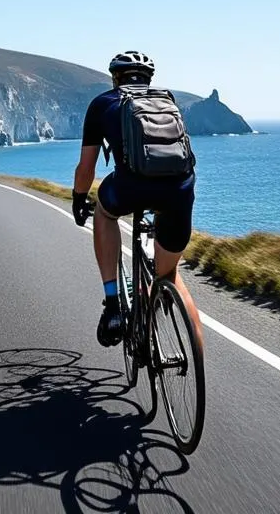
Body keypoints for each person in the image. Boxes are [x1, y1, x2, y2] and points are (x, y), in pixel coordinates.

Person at [71, 50, 203, 349]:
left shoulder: (102, 103)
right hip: (179, 191)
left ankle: (113, 304)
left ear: (115, 77)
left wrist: (80, 200)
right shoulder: (168, 101)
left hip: (130, 188)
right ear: (148, 79)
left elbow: (86, 169)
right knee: (170, 273)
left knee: (105, 213)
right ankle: (194, 358)